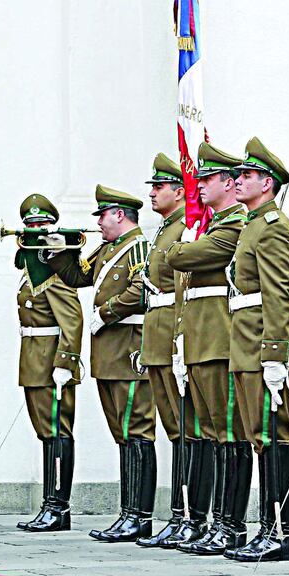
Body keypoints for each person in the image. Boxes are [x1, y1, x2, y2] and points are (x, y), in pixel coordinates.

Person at [44, 185, 155, 543]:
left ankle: (138, 515)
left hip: (129, 349)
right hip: (108, 354)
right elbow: (79, 277)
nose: (99, 223)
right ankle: (128, 513)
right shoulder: (108, 248)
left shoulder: (138, 246)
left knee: (136, 432)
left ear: (119, 215)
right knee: (123, 435)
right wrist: (59, 251)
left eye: (103, 216)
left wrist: (106, 313)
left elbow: (140, 290)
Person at [165, 143, 251, 556]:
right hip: (200, 339)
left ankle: (231, 524)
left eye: (208, 178)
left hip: (219, 341)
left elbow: (180, 258)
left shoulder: (234, 225)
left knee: (230, 433)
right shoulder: (212, 225)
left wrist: (180, 247)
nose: (198, 185)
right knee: (214, 435)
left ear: (229, 184)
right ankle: (215, 521)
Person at [222, 138, 289, 563]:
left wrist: (275, 353)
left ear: (267, 183)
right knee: (260, 438)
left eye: (247, 175)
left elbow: (278, 294)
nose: (238, 180)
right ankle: (266, 527)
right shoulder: (253, 225)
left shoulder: (273, 226)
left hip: (263, 344)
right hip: (246, 342)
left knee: (274, 436)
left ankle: (280, 531)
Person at [129, 154, 195, 549]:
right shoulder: (166, 228)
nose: (152, 193)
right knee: (174, 428)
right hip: (156, 331)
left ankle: (187, 514)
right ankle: (177, 514)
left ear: (179, 191)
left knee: (186, 427)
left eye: (160, 187)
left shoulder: (186, 226)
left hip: (172, 329)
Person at [11, 194, 82, 532]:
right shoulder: (31, 268)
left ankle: (57, 507)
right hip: (33, 360)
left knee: (57, 432)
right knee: (46, 433)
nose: (36, 230)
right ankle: (50, 504)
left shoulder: (54, 268)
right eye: (31, 225)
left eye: (42, 224)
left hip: (50, 363)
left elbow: (72, 319)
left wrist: (65, 362)